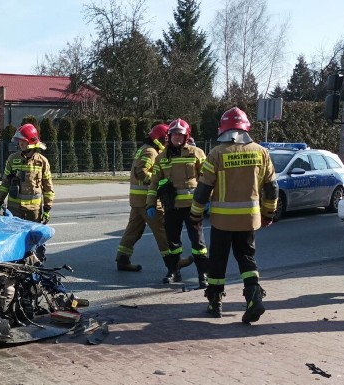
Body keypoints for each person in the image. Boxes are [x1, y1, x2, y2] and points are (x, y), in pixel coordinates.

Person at [190, 107, 278, 322]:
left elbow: (203, 190)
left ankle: (215, 302)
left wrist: (195, 215)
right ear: (246, 127)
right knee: (247, 258)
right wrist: (269, 213)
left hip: (222, 221)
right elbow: (272, 188)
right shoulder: (260, 152)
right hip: (249, 219)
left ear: (223, 129)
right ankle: (254, 296)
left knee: (218, 261)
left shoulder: (217, 153)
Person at [116, 124, 192, 274]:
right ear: (161, 139)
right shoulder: (151, 151)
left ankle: (122, 259)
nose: (167, 143)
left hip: (138, 200)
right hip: (147, 199)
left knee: (133, 231)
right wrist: (161, 182)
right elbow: (142, 172)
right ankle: (173, 263)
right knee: (163, 230)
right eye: (166, 140)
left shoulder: (145, 148)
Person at [147, 118, 208, 287]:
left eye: (180, 135)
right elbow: (154, 183)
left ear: (186, 136)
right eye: (173, 135)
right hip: (172, 207)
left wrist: (209, 200)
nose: (176, 138)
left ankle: (203, 274)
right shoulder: (161, 158)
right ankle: (174, 272)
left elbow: (207, 178)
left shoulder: (196, 153)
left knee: (198, 243)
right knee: (172, 242)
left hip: (193, 208)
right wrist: (150, 203)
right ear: (168, 136)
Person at [0, 124, 55, 224]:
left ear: (31, 141)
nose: (20, 143)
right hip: (14, 209)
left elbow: (48, 187)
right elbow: (5, 183)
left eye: (23, 140)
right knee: (13, 236)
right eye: (19, 141)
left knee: (31, 238)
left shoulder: (42, 161)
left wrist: (47, 209)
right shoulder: (12, 159)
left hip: (33, 211)